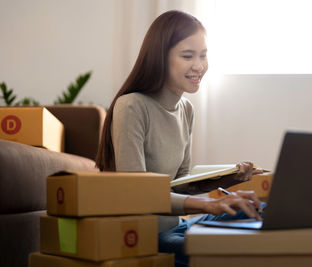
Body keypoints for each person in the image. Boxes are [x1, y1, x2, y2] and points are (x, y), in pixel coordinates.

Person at [96, 10, 264, 267]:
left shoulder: (186, 109)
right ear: (160, 58)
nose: (199, 65)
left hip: (179, 226)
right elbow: (136, 196)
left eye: (203, 55)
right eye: (188, 56)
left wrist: (230, 179)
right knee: (233, 249)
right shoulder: (131, 106)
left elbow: (181, 185)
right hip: (146, 236)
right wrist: (209, 207)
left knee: (263, 210)